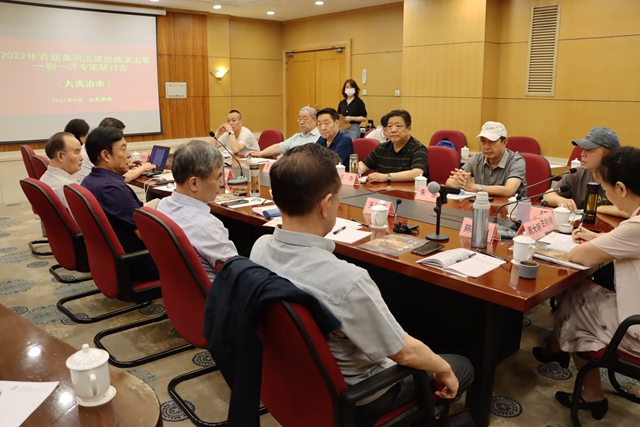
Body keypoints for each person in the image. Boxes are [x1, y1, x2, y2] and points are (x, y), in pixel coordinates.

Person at [250, 144, 473, 426]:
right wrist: (443, 369)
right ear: (325, 204)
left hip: (296, 377)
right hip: (360, 395)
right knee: (460, 366)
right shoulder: (347, 281)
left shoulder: (259, 248)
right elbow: (405, 352)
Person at [533, 146, 640, 421]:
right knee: (579, 292)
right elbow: (626, 242)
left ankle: (591, 392)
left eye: (605, 187)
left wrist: (587, 244)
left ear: (621, 188)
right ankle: (557, 350)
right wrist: (597, 239)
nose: (604, 193)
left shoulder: (636, 227)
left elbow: (577, 256)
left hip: (635, 328)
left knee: (573, 302)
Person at [81, 126, 158, 281]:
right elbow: (145, 235)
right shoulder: (112, 189)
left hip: (112, 261)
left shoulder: (89, 181)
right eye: (123, 149)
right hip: (140, 264)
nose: (128, 154)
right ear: (106, 155)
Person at [156, 140, 237, 282]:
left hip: (180, 289)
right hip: (216, 294)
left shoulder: (162, 206)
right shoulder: (207, 227)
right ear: (194, 183)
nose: (221, 183)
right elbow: (237, 277)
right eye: (218, 177)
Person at [542, 126, 628, 218]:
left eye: (589, 150)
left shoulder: (624, 177)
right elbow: (547, 196)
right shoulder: (576, 173)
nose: (582, 154)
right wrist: (560, 200)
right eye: (583, 149)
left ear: (609, 155)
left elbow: (632, 210)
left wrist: (596, 209)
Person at [446, 121, 526, 197]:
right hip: (482, 204)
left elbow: (509, 190)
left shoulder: (516, 161)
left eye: (492, 141)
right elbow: (449, 182)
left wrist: (474, 187)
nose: (486, 147)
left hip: (511, 206)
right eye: (483, 141)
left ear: (504, 143)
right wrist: (458, 182)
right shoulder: (477, 159)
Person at [77, 117, 155, 183]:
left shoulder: (91, 146)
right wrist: (143, 168)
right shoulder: (94, 151)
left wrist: (125, 165)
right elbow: (123, 178)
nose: (128, 154)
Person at [357, 109, 428, 183]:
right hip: (383, 189)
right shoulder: (382, 148)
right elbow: (364, 164)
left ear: (408, 129)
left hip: (409, 189)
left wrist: (387, 177)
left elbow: (417, 173)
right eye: (390, 126)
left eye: (398, 126)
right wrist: (358, 170)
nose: (393, 130)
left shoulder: (418, 148)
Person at [245, 107, 319, 158]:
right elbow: (278, 147)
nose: (301, 122)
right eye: (300, 119)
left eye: (305, 119)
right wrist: (259, 154)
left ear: (314, 120)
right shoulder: (297, 136)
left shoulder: (320, 136)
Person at [39, 132, 83, 209]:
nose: (81, 157)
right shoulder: (68, 189)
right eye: (77, 152)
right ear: (60, 156)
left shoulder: (46, 177)